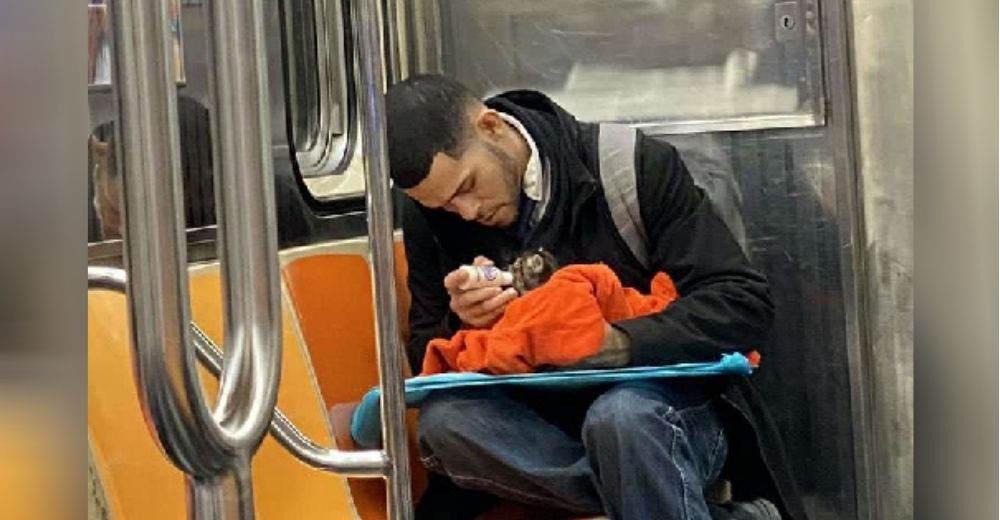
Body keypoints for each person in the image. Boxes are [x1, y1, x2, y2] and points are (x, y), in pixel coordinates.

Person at [386, 74, 806, 520]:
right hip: (540, 427)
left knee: (621, 420)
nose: (466, 212)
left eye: (467, 186)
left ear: (491, 126)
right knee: (446, 425)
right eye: (446, 206)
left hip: (664, 404)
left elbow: (742, 302)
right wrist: (466, 323)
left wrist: (619, 343)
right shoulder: (428, 215)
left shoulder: (630, 167)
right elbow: (425, 350)